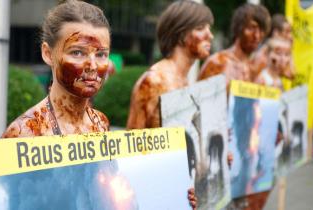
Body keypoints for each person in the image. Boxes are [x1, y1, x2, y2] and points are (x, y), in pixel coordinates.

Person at [197, 4, 271, 210]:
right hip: (217, 159)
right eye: (252, 27)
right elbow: (198, 114)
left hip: (246, 156)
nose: (257, 35)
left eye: (261, 30)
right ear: (238, 28)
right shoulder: (219, 63)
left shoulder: (254, 69)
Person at [2, 0, 110, 138]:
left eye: (101, 54)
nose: (93, 66)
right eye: (77, 52)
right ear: (48, 54)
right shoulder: (26, 131)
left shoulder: (100, 123)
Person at [126, 0, 214, 129]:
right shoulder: (154, 81)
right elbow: (133, 140)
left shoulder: (184, 80)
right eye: (200, 28)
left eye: (209, 29)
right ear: (180, 34)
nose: (210, 35)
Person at [251, 14, 295, 82]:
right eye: (287, 31)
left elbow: (291, 74)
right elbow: (290, 73)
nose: (290, 36)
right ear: (276, 33)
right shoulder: (265, 50)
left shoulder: (271, 48)